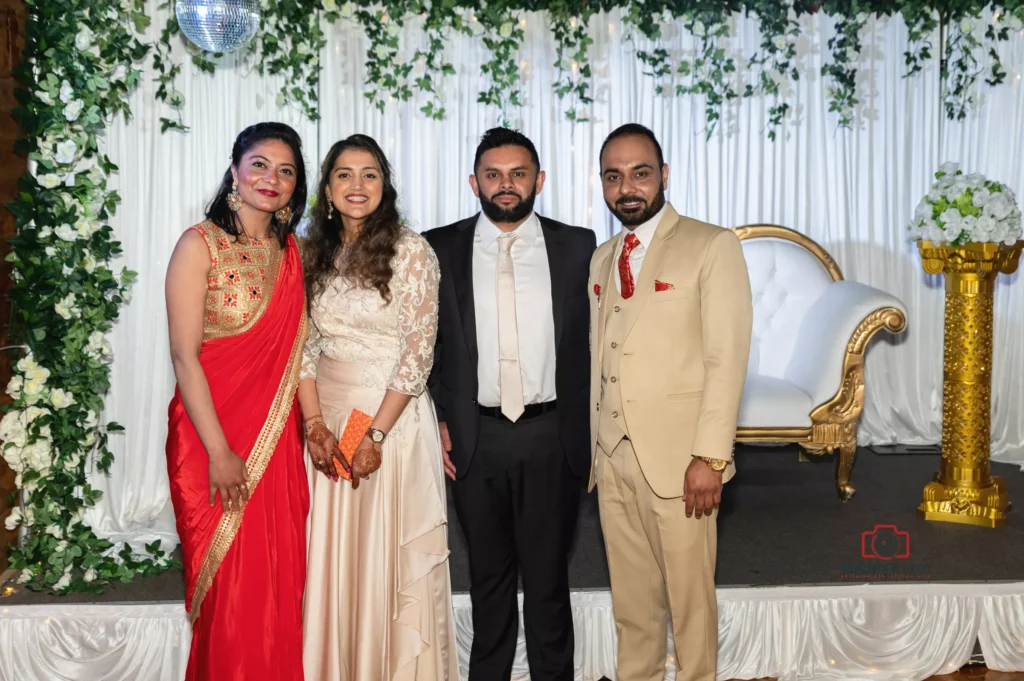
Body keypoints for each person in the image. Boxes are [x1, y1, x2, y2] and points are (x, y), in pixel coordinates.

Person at [424, 128, 596, 681]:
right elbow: (421, 344)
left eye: (518, 173)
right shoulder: (437, 247)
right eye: (493, 175)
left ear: (538, 180)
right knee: (489, 580)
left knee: (548, 580)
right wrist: (439, 418)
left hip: (553, 432)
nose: (506, 185)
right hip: (476, 436)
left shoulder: (579, 246)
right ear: (474, 182)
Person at [588, 123, 753, 681]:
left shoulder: (711, 244)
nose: (626, 187)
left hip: (682, 460)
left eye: (639, 173)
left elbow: (725, 359)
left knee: (690, 606)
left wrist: (711, 456)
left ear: (664, 175)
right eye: (614, 177)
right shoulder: (603, 257)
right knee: (633, 607)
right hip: (612, 458)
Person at [299, 134, 458, 681]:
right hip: (328, 421)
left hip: (388, 422)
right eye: (344, 174)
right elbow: (302, 345)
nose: (357, 185)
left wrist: (375, 437)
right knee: (333, 558)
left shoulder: (411, 250)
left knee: (381, 559)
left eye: (370, 174)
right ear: (326, 187)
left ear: (385, 185)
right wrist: (314, 423)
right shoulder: (309, 252)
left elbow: (417, 354)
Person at [164, 121, 311, 681]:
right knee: (228, 592)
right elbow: (184, 358)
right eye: (259, 164)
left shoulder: (293, 251)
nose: (271, 179)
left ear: (296, 186)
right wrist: (221, 452)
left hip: (276, 445)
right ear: (234, 170)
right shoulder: (198, 244)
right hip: (210, 442)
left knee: (277, 583)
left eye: (286, 170)